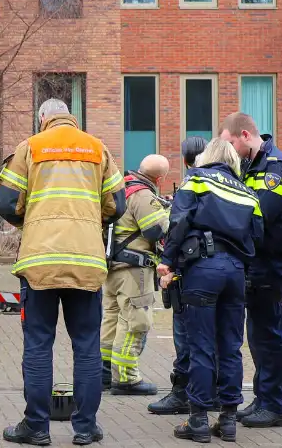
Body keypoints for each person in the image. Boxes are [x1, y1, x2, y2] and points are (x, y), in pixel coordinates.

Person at [0, 99, 125, 446]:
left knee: (38, 344)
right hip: (87, 263)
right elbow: (118, 204)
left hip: (40, 262)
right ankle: (85, 428)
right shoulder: (98, 148)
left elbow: (5, 202)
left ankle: (36, 427)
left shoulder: (30, 147)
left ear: (43, 119)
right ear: (73, 117)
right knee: (87, 346)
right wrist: (90, 222)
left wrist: (32, 222)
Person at [156, 138, 262, 444]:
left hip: (203, 269)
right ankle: (228, 420)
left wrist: (168, 262)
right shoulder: (247, 192)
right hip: (236, 272)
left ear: (208, 157)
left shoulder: (196, 179)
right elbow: (257, 235)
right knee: (230, 346)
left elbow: (178, 222)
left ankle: (198, 421)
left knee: (201, 345)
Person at [219, 113, 282, 428]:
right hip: (258, 262)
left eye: (230, 144)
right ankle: (263, 398)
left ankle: (277, 407)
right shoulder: (253, 165)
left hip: (272, 262)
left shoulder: (275, 168)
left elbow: (259, 213)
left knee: (269, 335)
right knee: (257, 335)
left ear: (243, 135)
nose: (229, 151)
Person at [100, 154, 170, 396]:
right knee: (135, 322)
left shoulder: (120, 189)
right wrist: (168, 214)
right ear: (159, 178)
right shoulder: (142, 195)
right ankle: (127, 378)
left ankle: (105, 372)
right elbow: (154, 230)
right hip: (134, 271)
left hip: (113, 269)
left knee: (112, 319)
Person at [148, 136, 207, 416]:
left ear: (186, 160)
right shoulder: (229, 183)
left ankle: (181, 393)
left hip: (188, 270)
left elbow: (177, 226)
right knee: (213, 338)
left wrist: (168, 264)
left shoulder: (191, 183)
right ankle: (214, 395)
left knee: (184, 335)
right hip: (220, 273)